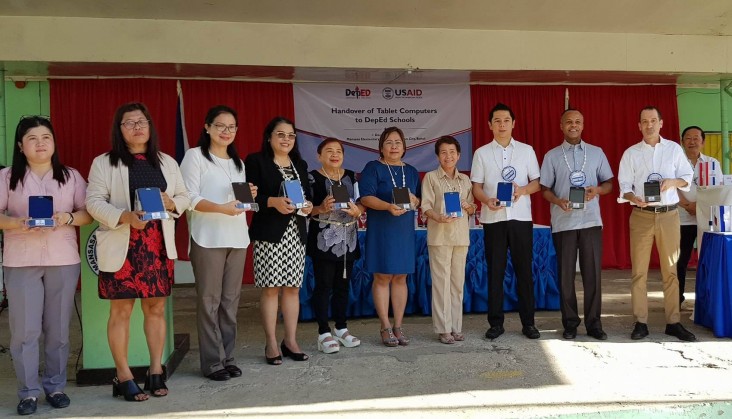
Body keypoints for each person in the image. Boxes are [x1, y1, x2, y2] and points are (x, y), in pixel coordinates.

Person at [86, 102, 190, 401]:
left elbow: (183, 197)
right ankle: (123, 375)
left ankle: (156, 370)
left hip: (157, 243)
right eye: (129, 122)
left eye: (142, 121)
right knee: (121, 311)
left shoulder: (167, 162)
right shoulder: (104, 163)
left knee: (156, 309)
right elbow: (93, 202)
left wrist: (172, 203)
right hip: (124, 242)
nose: (137, 127)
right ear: (119, 129)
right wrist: (125, 217)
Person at [0, 116, 92, 415]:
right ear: (20, 145)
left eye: (46, 137)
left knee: (58, 330)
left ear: (54, 142)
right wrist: (16, 223)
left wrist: (66, 218)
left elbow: (87, 213)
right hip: (21, 261)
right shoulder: (6, 177)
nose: (40, 143)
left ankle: (55, 386)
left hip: (62, 260)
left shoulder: (71, 176)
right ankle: (28, 392)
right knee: (24, 332)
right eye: (32, 138)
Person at [180, 105, 257, 381]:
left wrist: (249, 196)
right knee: (209, 301)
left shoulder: (238, 162)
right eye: (220, 126)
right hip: (208, 238)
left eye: (232, 127)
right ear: (207, 127)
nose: (226, 131)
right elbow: (187, 196)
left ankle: (228, 356)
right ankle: (212, 362)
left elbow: (238, 201)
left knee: (230, 301)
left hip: (237, 237)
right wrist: (221, 208)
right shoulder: (195, 157)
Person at [617, 106, 696, 342]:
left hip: (669, 215)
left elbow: (687, 178)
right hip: (641, 216)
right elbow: (624, 186)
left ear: (661, 123)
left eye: (653, 120)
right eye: (644, 121)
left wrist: (673, 182)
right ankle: (640, 322)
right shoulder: (631, 153)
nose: (649, 125)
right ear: (639, 125)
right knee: (639, 272)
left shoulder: (673, 149)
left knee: (670, 271)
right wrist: (633, 198)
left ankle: (673, 322)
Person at [540, 109, 614, 341]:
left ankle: (594, 323)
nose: (573, 125)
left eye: (578, 122)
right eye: (569, 122)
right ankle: (570, 323)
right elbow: (544, 189)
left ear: (583, 125)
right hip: (564, 221)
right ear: (561, 125)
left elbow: (610, 183)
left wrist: (598, 190)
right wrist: (557, 200)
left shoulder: (596, 153)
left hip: (591, 220)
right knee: (565, 275)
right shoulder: (551, 156)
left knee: (592, 274)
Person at [244, 116, 313, 365]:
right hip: (269, 233)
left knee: (293, 289)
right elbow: (248, 196)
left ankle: (291, 340)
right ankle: (272, 342)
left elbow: (308, 195)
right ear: (269, 137)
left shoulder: (300, 164)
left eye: (291, 135)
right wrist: (272, 201)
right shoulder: (256, 161)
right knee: (271, 288)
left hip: (296, 233)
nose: (286, 139)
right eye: (281, 134)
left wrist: (307, 205)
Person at [471, 102, 541, 340]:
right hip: (493, 218)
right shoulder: (481, 153)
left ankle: (529, 323)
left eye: (506, 121)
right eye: (497, 121)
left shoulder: (526, 150)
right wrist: (486, 200)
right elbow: (476, 187)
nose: (502, 125)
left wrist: (521, 190)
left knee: (524, 271)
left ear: (514, 123)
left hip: (520, 218)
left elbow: (537, 183)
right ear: (490, 125)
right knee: (496, 272)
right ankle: (496, 323)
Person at [360, 126, 421, 347]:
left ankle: (398, 325)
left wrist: (415, 201)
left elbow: (419, 199)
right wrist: (388, 206)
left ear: (404, 147)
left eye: (398, 142)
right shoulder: (373, 168)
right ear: (381, 147)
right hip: (383, 229)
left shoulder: (412, 171)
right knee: (383, 277)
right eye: (389, 142)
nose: (394, 146)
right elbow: (366, 197)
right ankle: (385, 326)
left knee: (401, 277)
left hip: (404, 231)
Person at [307, 138, 363, 353]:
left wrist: (358, 211)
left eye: (338, 151)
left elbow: (360, 202)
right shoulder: (313, 178)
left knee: (343, 286)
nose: (334, 154)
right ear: (319, 156)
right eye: (329, 151)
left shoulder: (350, 176)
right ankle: (323, 332)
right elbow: (305, 208)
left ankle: (341, 328)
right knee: (324, 286)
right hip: (324, 238)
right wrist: (320, 208)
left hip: (348, 238)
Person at [421, 135, 476, 344]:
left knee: (457, 284)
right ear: (437, 156)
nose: (448, 156)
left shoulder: (465, 180)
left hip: (461, 237)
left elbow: (472, 207)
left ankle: (456, 327)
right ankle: (443, 329)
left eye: (452, 152)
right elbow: (425, 206)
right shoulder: (431, 178)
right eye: (443, 152)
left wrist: (468, 206)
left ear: (459, 155)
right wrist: (438, 217)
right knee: (441, 284)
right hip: (440, 236)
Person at [677, 125, 722, 308]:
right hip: (682, 217)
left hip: (706, 219)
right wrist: (687, 205)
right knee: (680, 261)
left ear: (703, 142)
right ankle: (676, 299)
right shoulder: (676, 162)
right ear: (682, 142)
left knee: (707, 260)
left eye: (696, 138)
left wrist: (700, 207)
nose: (692, 141)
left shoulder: (712, 163)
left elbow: (718, 189)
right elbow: (672, 188)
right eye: (688, 138)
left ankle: (705, 300)